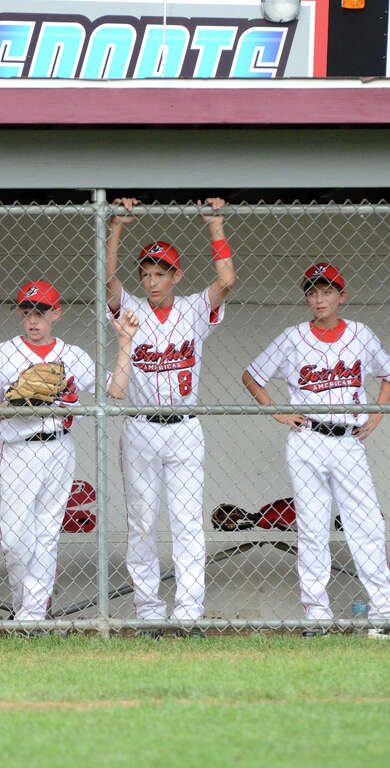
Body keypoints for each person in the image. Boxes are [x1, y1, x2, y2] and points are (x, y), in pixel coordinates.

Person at [241, 263, 390, 638]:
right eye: (313, 292)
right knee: (313, 528)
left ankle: (386, 615)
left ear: (342, 296)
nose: (319, 299)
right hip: (307, 439)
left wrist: (376, 414)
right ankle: (317, 616)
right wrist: (278, 411)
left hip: (349, 439)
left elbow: (389, 374)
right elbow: (252, 375)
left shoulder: (361, 335)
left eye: (327, 291)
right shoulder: (293, 337)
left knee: (366, 525)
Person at [103, 197, 234, 638]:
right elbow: (106, 281)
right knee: (141, 521)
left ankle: (189, 612)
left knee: (185, 522)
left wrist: (215, 226)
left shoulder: (194, 307)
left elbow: (227, 280)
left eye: (161, 273)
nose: (152, 280)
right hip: (140, 426)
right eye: (147, 273)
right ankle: (148, 611)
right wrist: (117, 227)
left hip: (184, 428)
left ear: (176, 275)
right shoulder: (132, 310)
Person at [0, 280, 96, 623]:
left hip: (59, 446)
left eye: (41, 313)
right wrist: (16, 403)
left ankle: (32, 615)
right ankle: (26, 607)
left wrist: (124, 341)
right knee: (15, 539)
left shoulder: (74, 355)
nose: (34, 320)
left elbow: (113, 389)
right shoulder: (5, 352)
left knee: (47, 535)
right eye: (28, 312)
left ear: (56, 314)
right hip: (19, 448)